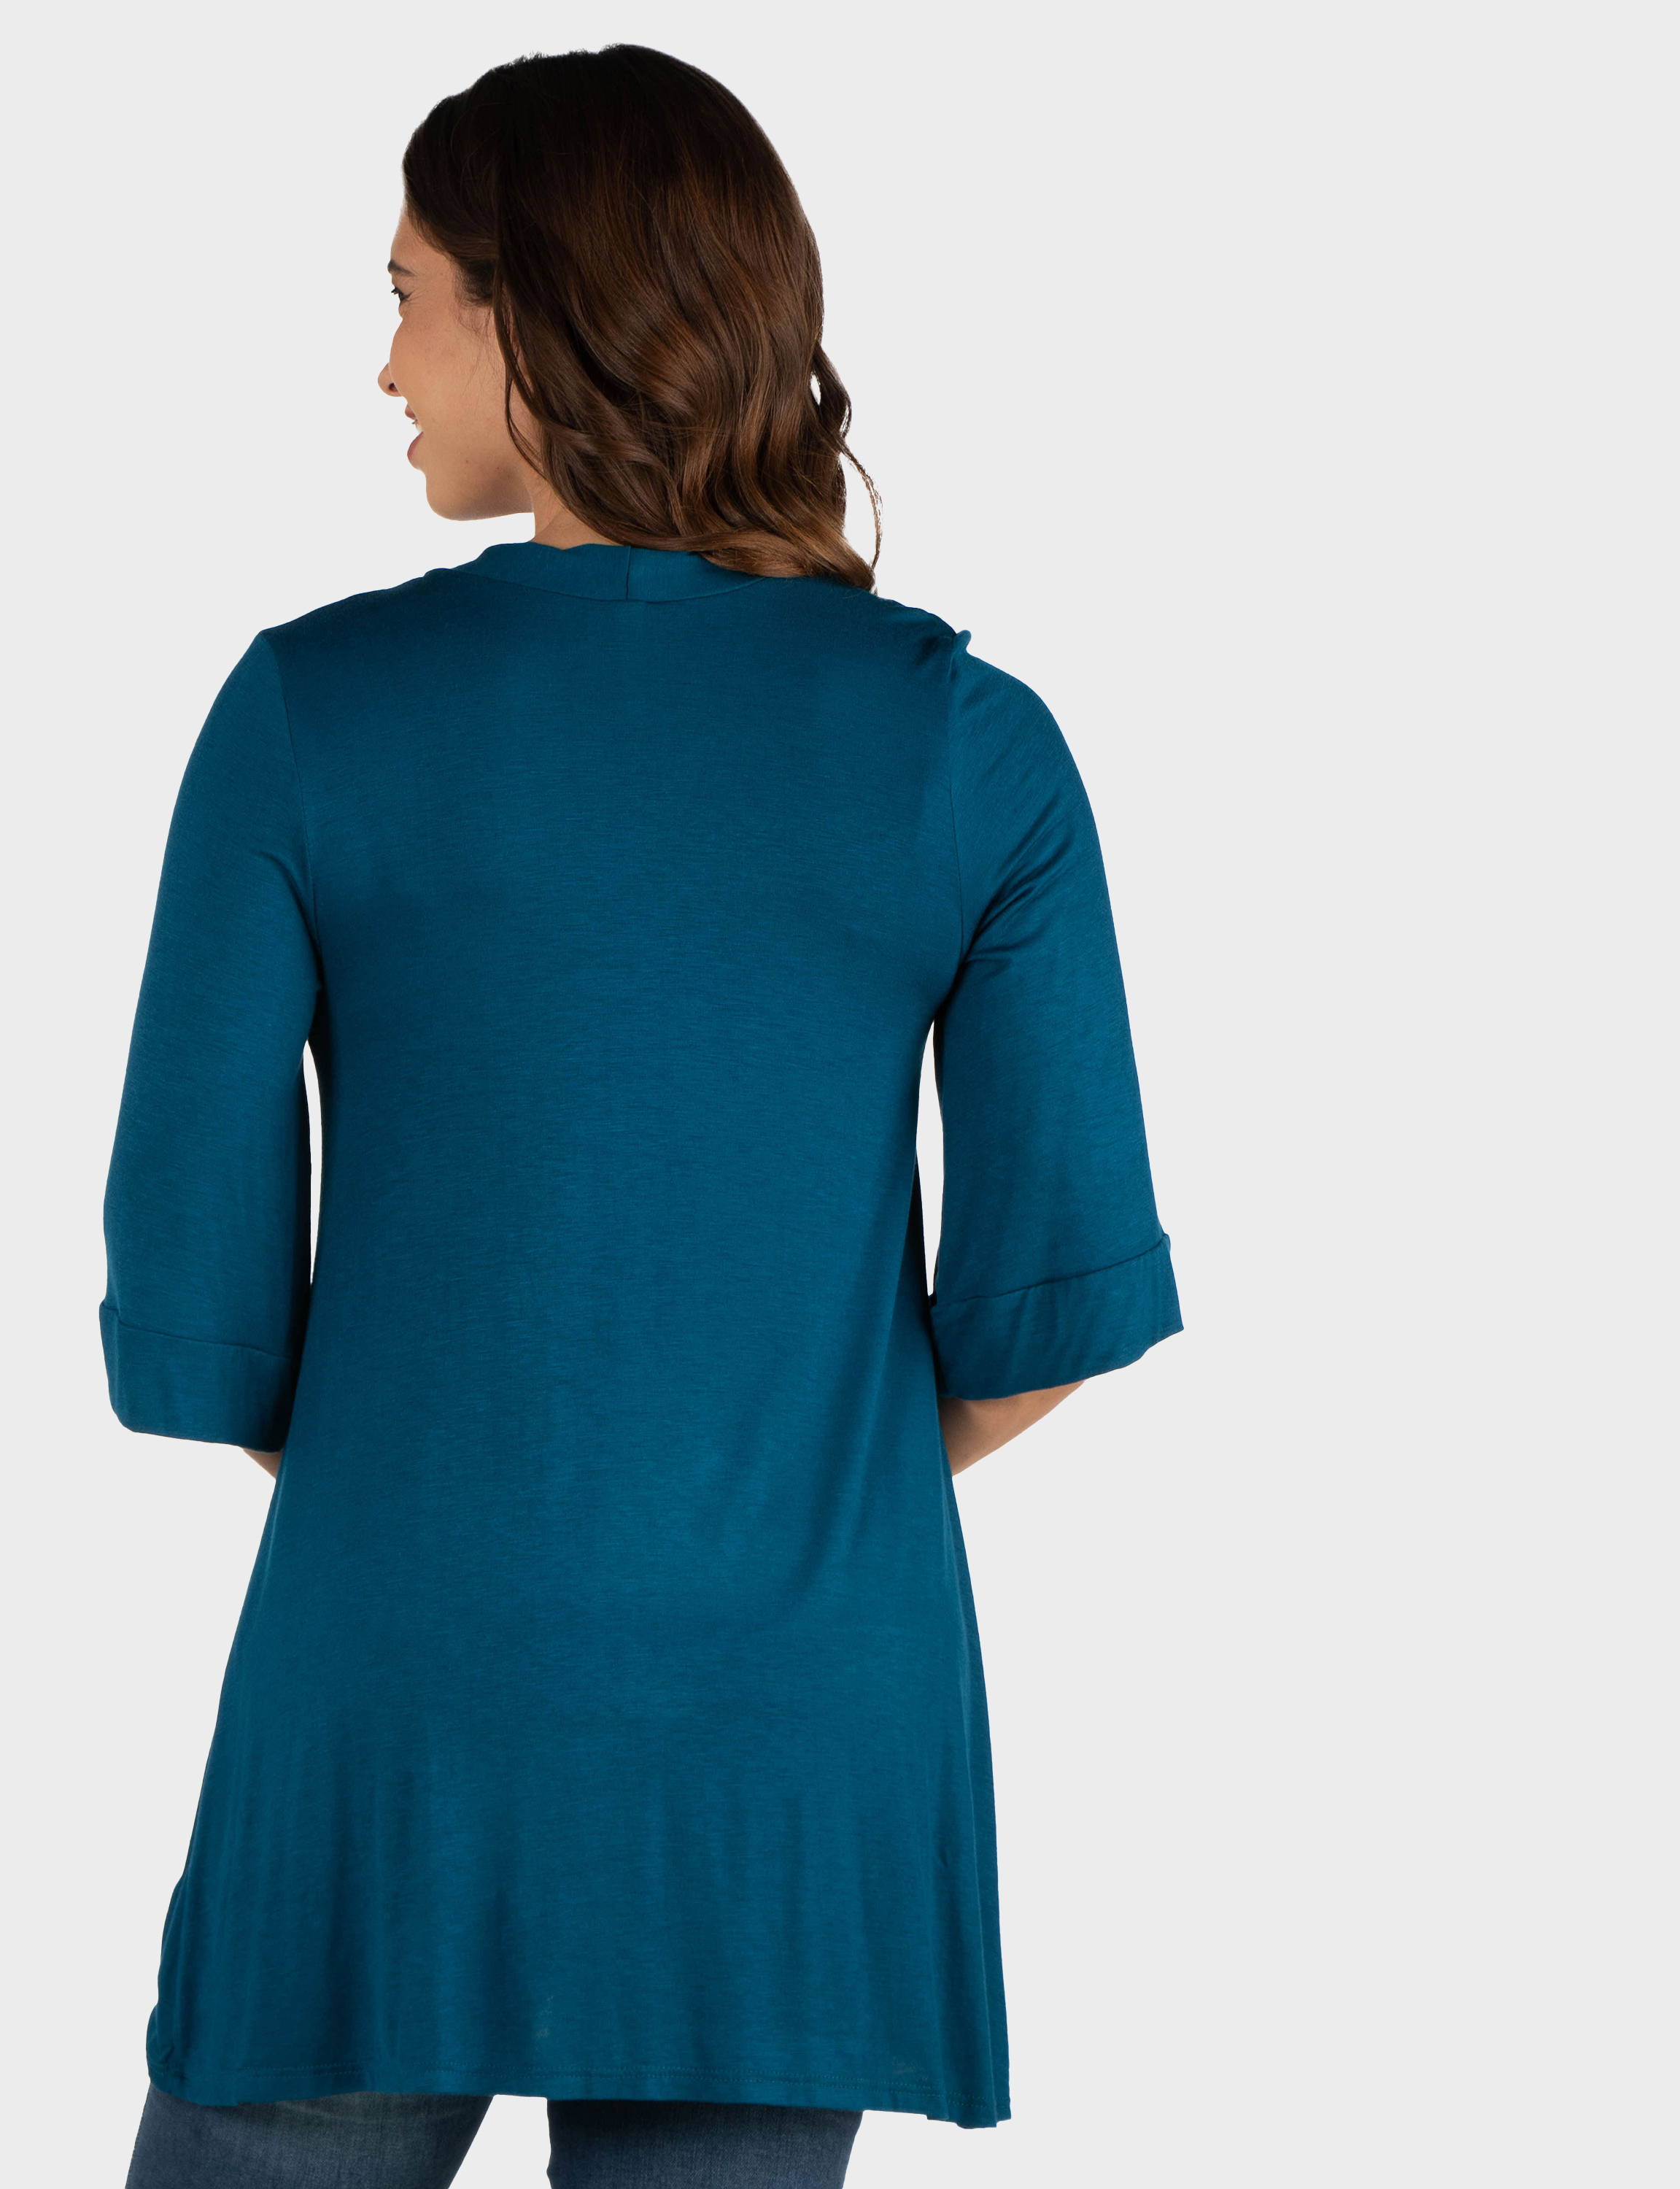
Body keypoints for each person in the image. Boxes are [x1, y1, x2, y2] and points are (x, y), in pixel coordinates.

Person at [99, 42, 1180, 2189]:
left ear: (538, 314)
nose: (383, 362)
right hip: (794, 1737)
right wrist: (771, 1502)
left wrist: (464, 1500)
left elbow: (203, 1309)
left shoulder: (308, 713)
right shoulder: (969, 747)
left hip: (393, 1710)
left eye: (408, 295)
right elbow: (1047, 1305)